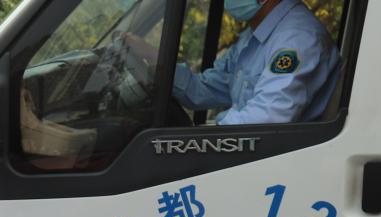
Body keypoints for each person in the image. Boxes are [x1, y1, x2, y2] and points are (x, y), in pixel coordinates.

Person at [128, 0, 340, 125]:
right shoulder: (255, 34)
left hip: (279, 168)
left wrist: (201, 138)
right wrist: (152, 56)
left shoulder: (297, 40)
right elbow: (202, 89)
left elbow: (267, 118)